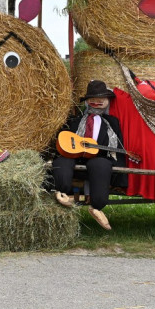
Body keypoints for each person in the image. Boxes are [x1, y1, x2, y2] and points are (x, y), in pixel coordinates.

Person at [53, 80, 127, 230]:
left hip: (99, 157)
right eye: (92, 98)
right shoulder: (75, 121)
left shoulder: (112, 123)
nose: (96, 102)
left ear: (107, 101)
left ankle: (97, 206)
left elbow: (116, 145)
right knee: (63, 161)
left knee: (101, 164)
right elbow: (64, 139)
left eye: (101, 99)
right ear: (87, 101)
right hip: (76, 157)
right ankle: (62, 193)